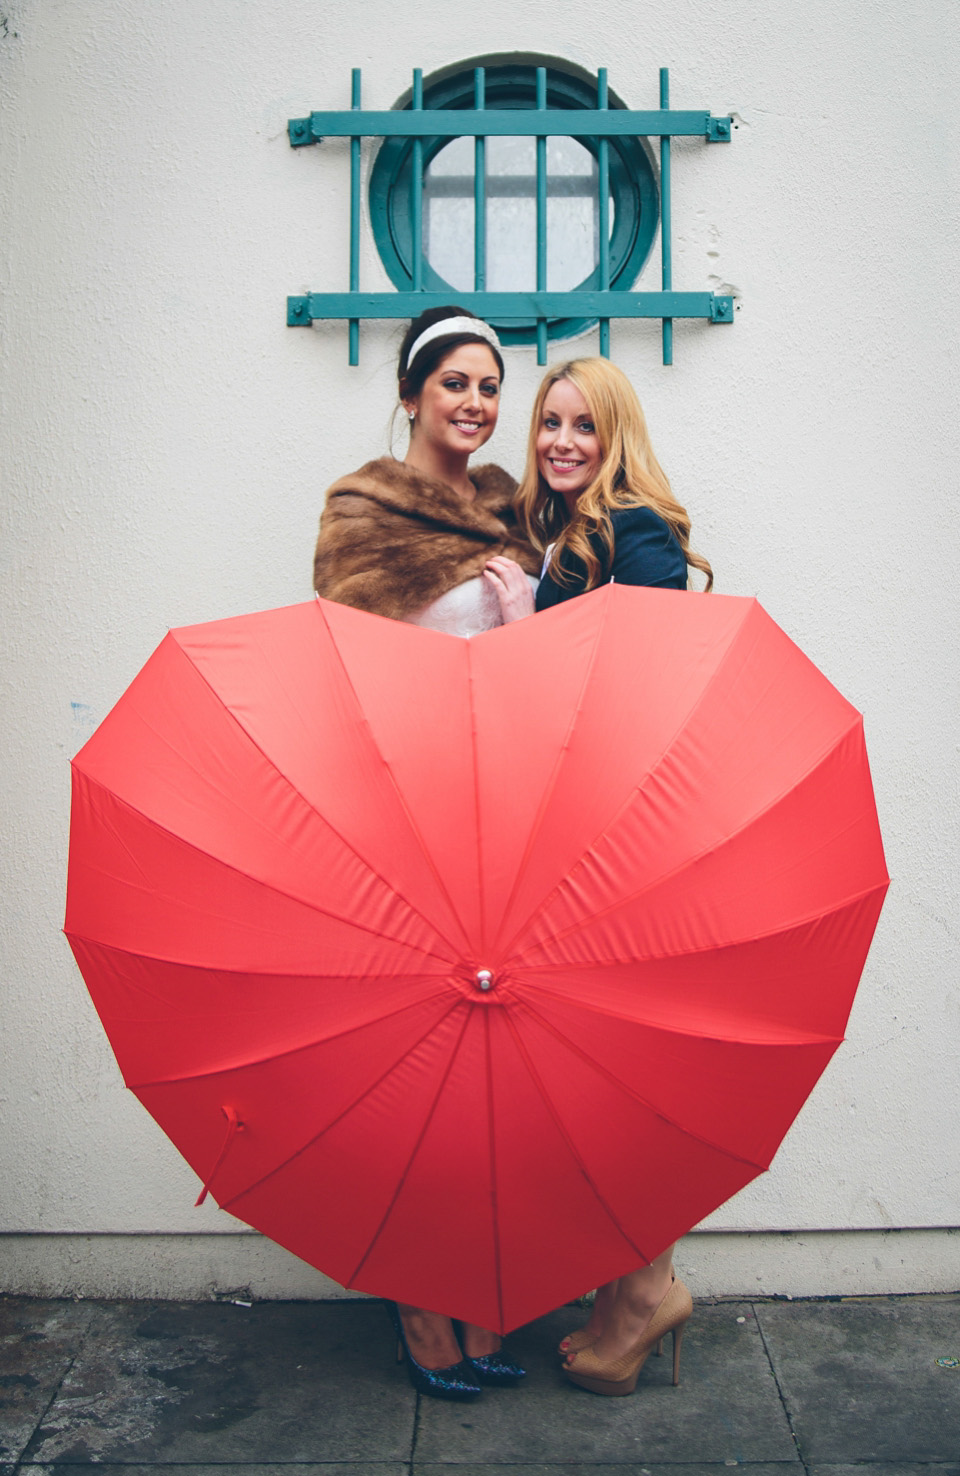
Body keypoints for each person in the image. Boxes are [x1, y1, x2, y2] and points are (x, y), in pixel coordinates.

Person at [313, 305, 539, 1400]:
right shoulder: (360, 511)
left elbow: (547, 679)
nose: (476, 403)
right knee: (412, 1063)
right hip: (404, 813)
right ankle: (417, 1297)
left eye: (490, 386)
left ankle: (480, 1277)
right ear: (410, 394)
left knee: (494, 1059)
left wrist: (530, 616)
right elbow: (344, 671)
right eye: (454, 382)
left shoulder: (513, 513)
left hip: (504, 815)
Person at [484, 357, 713, 1398]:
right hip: (584, 838)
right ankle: (633, 1291)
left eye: (583, 424)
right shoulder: (568, 533)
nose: (561, 441)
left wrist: (532, 632)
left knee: (634, 1078)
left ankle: (643, 1297)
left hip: (627, 847)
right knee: (605, 1077)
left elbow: (635, 695)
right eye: (548, 423)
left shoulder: (641, 537)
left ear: (616, 433)